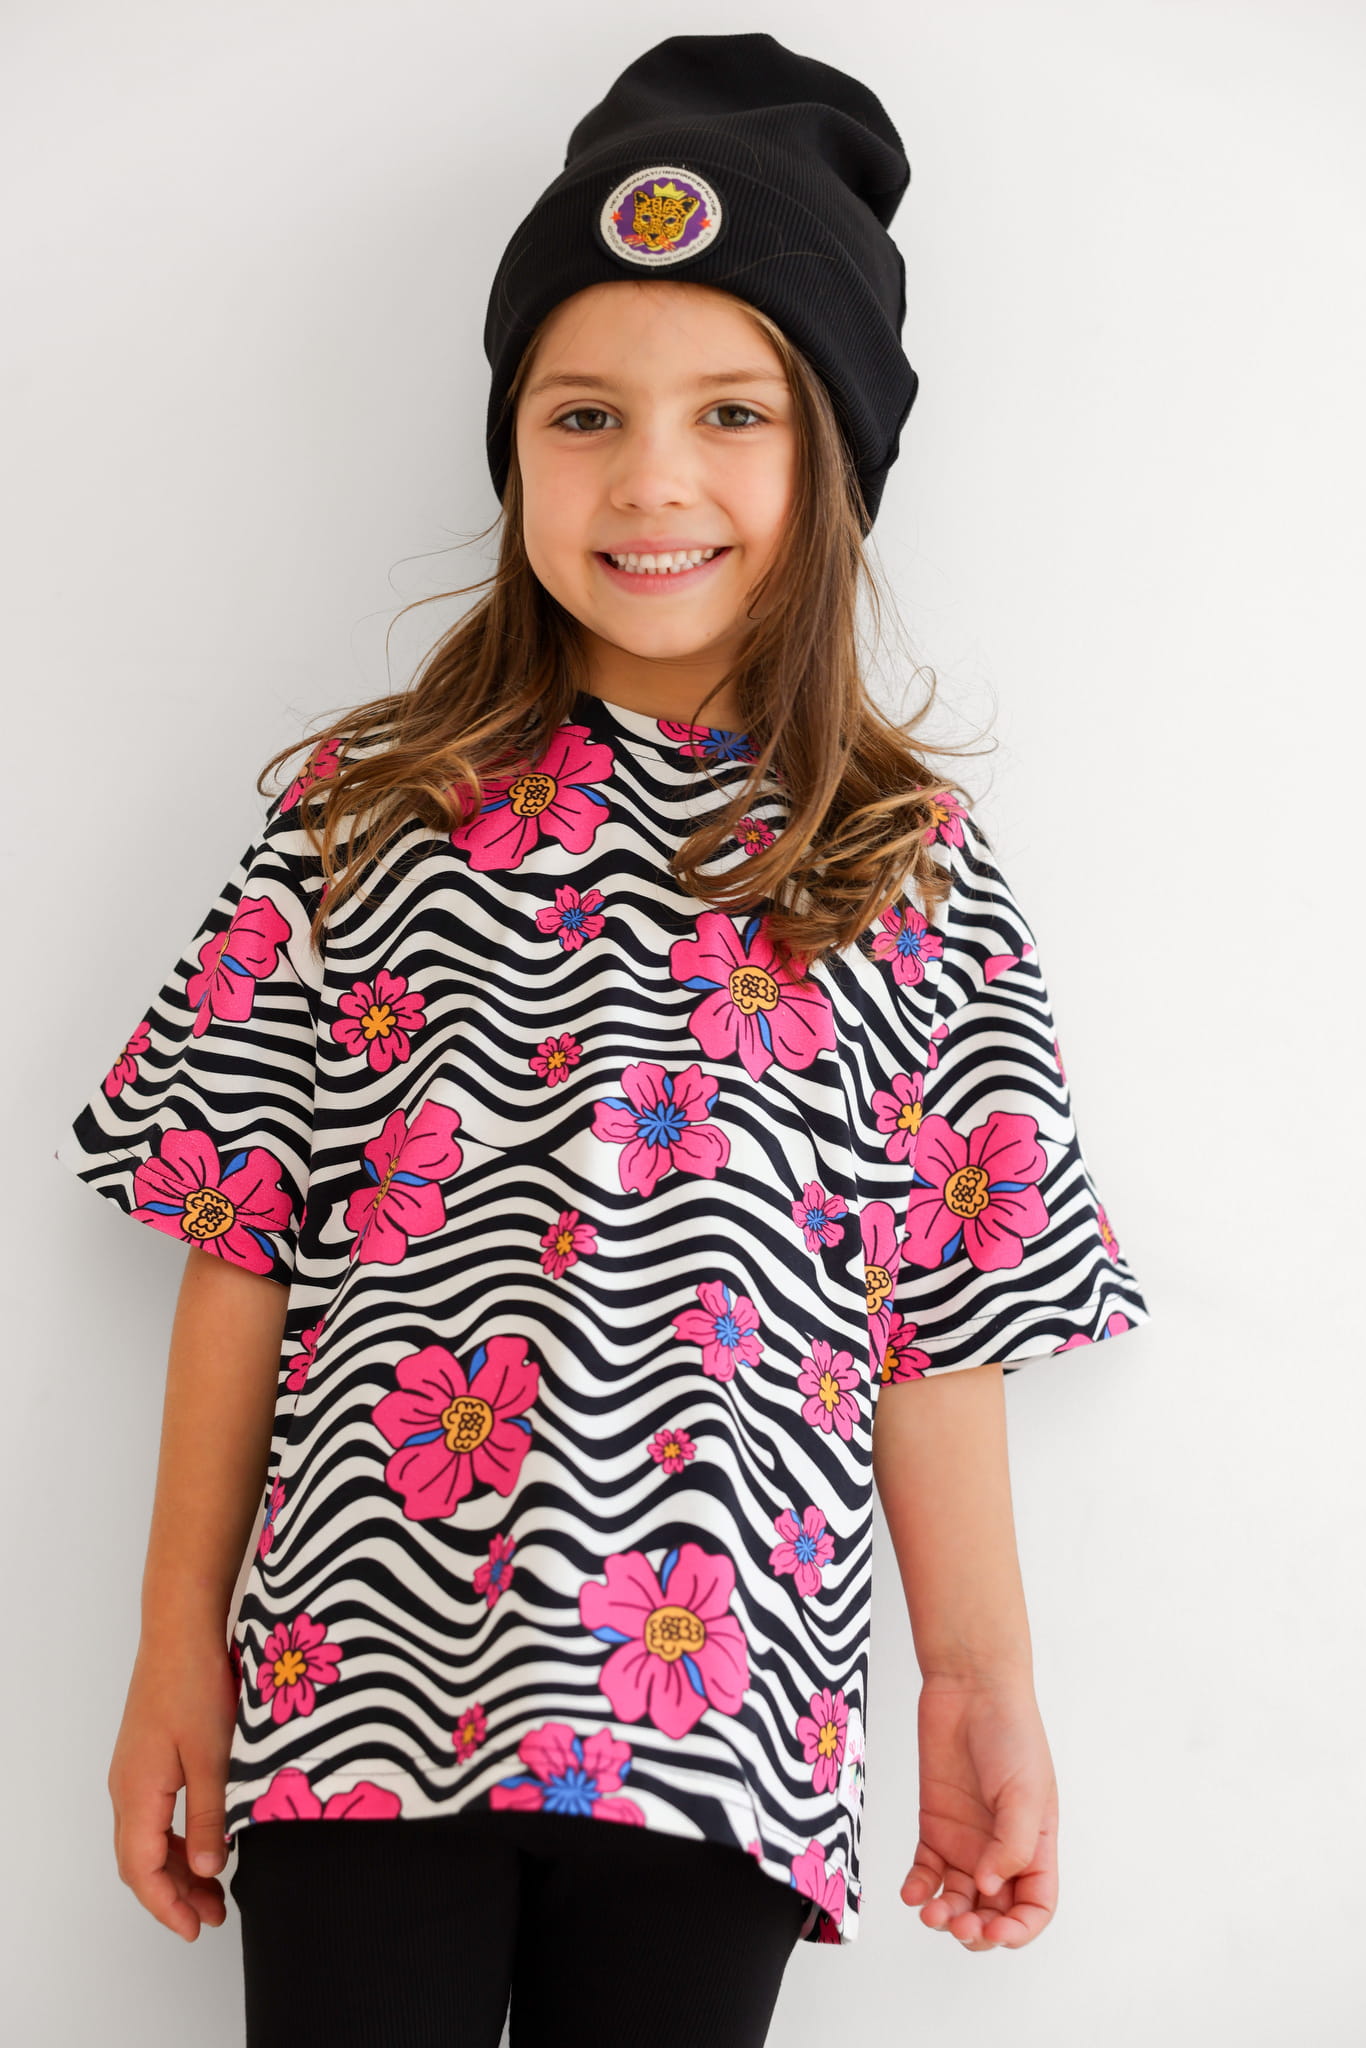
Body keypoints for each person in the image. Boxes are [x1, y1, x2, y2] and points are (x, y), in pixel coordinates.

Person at [54, 31, 1149, 2048]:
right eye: (584, 415)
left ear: (830, 463)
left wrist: (978, 1682)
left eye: (732, 412)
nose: (651, 477)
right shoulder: (363, 819)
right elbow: (236, 1239)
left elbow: (942, 1316)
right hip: (352, 1702)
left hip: (717, 1726)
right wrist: (169, 1648)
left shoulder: (901, 867)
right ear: (514, 451)